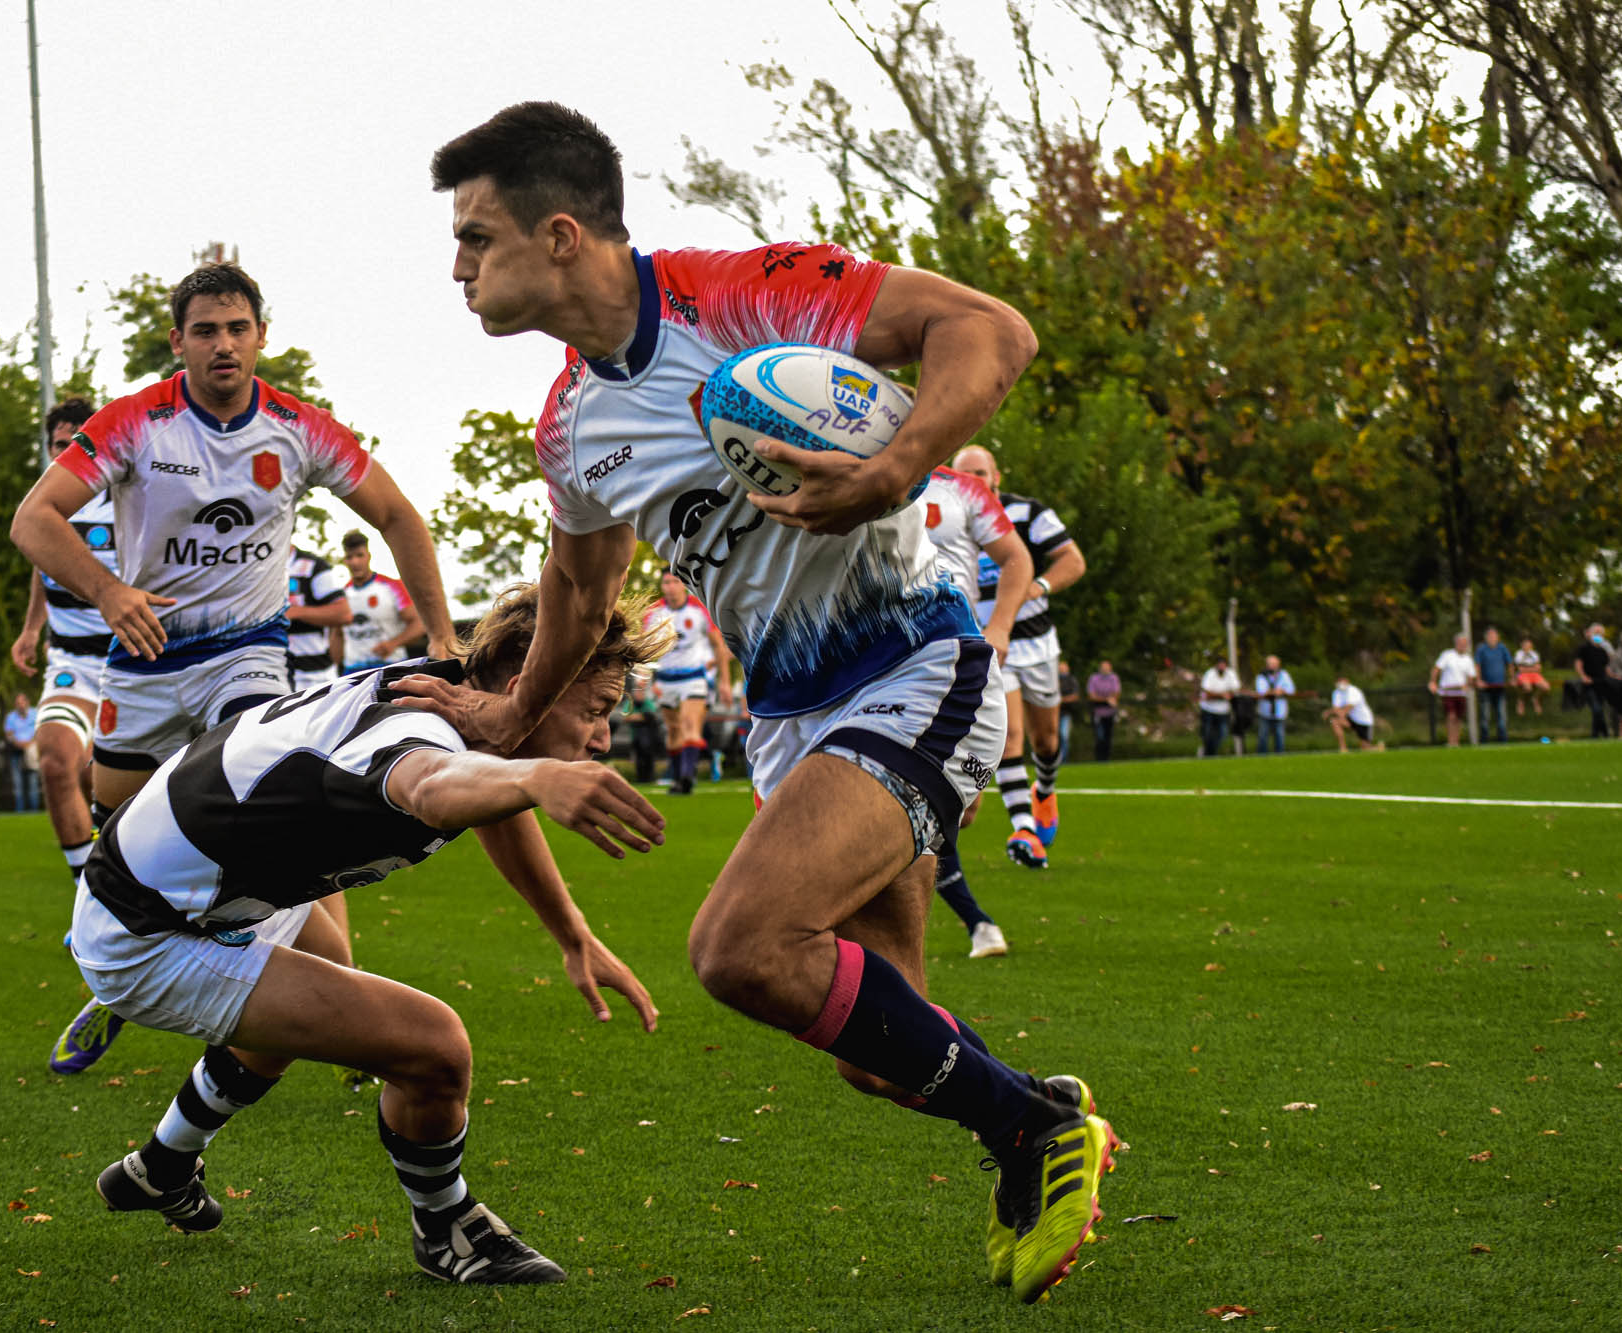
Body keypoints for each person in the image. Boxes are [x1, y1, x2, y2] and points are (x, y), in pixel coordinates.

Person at [422, 102, 1115, 1304]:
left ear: (563, 233)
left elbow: (988, 331)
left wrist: (893, 469)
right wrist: (509, 718)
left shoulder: (746, 292)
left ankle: (1030, 1137)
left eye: (477, 236)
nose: (458, 266)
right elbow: (578, 595)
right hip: (793, 718)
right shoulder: (570, 426)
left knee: (738, 948)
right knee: (883, 1049)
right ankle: (1036, 1111)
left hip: (917, 664)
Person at [79, 584, 660, 1285]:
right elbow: (432, 786)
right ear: (522, 685)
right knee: (433, 1047)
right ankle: (448, 1230)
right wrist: (540, 775)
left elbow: (488, 796)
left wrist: (572, 934)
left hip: (194, 884)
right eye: (595, 710)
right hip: (153, 927)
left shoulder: (454, 694)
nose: (602, 735)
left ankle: (162, 1164)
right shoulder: (424, 731)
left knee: (318, 992)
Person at [10, 260, 459, 1076]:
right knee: (124, 833)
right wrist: (109, 592)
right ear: (176, 341)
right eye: (206, 330)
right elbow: (33, 519)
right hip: (144, 661)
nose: (223, 345)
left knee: (266, 824)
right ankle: (121, 969)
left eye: (237, 328)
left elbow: (396, 513)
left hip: (246, 658)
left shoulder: (298, 427)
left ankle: (352, 1008)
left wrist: (443, 637)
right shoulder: (134, 421)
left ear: (261, 336)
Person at [950, 447, 1086, 870]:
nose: (974, 481)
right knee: (1009, 737)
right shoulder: (948, 520)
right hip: (988, 644)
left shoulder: (1026, 513)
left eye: (980, 473)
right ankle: (1025, 829)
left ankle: (1044, 790)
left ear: (997, 477)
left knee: (1046, 742)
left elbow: (1073, 561)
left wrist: (1037, 587)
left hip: (1037, 642)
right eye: (964, 475)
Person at [917, 462, 1031, 959]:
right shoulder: (861, 463)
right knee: (919, 800)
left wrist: (1001, 626)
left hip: (961, 651)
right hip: (888, 653)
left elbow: (1017, 560)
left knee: (958, 811)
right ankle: (976, 923)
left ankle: (972, 920)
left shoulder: (965, 490)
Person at [11, 397, 116, 880]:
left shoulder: (133, 498)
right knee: (55, 761)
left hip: (131, 667)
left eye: (80, 443)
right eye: (59, 444)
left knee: (116, 791)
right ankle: (86, 895)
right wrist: (32, 629)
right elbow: (43, 564)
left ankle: (129, 893)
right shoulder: (43, 502)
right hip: (72, 663)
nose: (68, 453)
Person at [642, 570, 734, 794]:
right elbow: (644, 650)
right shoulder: (653, 613)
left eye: (675, 581)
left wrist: (724, 681)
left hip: (694, 677)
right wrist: (645, 680)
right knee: (674, 731)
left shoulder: (699, 609)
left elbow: (719, 645)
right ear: (662, 586)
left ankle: (686, 777)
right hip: (665, 679)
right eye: (667, 582)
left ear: (683, 585)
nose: (671, 586)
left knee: (690, 725)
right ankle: (677, 777)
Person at [335, 531, 423, 673]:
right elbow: (337, 635)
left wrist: (393, 644)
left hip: (391, 667)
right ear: (344, 561)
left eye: (359, 555)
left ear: (368, 556)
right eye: (349, 557)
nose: (355, 562)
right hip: (353, 672)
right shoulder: (341, 595)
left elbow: (418, 625)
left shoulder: (393, 586)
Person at [287, 543, 350, 691]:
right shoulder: (253, 566)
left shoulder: (313, 565)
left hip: (313, 679)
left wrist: (295, 612)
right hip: (267, 674)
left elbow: (344, 613)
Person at [1429, 634, 1477, 747]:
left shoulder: (1468, 659)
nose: (1462, 646)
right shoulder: (1447, 655)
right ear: (1456, 644)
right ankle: (1451, 741)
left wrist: (1468, 684)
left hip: (1461, 693)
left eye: (1464, 644)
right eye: (1460, 643)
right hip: (1447, 692)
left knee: (1459, 718)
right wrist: (1433, 682)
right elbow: (1436, 669)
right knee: (1451, 716)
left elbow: (1471, 677)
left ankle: (1456, 741)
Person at [1573, 624, 1619, 738]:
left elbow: (1606, 668)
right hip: (1589, 683)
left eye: (1600, 633)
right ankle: (1605, 733)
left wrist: (1613, 676)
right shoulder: (1583, 648)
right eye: (1596, 632)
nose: (1598, 635)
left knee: (1599, 710)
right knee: (1597, 709)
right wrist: (1583, 676)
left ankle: (1595, 735)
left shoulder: (1603, 651)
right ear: (1590, 633)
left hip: (1602, 683)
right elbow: (1578, 664)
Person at [3, 692, 41, 812]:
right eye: (18, 703)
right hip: (17, 753)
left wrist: (30, 743)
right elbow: (9, 734)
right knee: (18, 783)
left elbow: (40, 730)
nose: (20, 705)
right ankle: (19, 810)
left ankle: (34, 810)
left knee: (33, 782)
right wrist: (17, 743)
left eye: (22, 702)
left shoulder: (36, 714)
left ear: (27, 702)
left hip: (32, 753)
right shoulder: (11, 717)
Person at [1473, 627, 1513, 743]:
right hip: (1486, 688)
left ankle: (1503, 740)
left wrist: (1511, 678)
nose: (1492, 638)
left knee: (1502, 715)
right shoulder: (1481, 649)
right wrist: (1479, 680)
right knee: (1485, 716)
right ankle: (1484, 740)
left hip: (1500, 687)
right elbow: (1477, 665)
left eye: (1494, 636)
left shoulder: (1502, 648)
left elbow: (1509, 664)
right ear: (1486, 638)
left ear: (1498, 638)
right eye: (1490, 636)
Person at [1327, 675, 1383, 752]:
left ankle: (1378, 747)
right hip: (1351, 719)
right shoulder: (1336, 693)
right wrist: (1335, 713)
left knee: (1365, 749)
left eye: (1341, 682)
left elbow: (1349, 707)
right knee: (1334, 721)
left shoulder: (1354, 691)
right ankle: (1343, 748)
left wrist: (1339, 713)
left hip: (1363, 720)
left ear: (1347, 682)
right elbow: (1336, 708)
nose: (1340, 684)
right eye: (1338, 682)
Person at [1251, 655, 1294, 755]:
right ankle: (1261, 756)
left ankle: (1280, 756)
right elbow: (1261, 691)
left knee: (1280, 735)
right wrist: (1275, 691)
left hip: (1280, 711)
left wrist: (1282, 691)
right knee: (1263, 735)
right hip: (1265, 711)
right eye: (1270, 664)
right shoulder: (1261, 676)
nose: (1273, 666)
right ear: (1266, 665)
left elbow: (1291, 690)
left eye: (1275, 664)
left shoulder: (1284, 675)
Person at [1198, 656, 1241, 756]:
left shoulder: (1230, 674)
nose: (1221, 666)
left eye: (1223, 664)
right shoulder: (1210, 674)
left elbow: (1235, 689)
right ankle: (1207, 752)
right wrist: (1221, 695)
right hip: (1208, 709)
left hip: (1223, 711)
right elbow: (1206, 691)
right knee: (1207, 734)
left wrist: (1226, 694)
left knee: (1223, 734)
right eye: (1220, 664)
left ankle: (1211, 753)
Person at [1085, 661, 1121, 761]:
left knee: (1108, 737)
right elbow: (1091, 696)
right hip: (1097, 713)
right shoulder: (1094, 678)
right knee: (1099, 737)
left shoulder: (1114, 678)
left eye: (1107, 668)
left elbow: (1116, 694)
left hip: (1110, 713)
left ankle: (1106, 759)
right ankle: (1099, 759)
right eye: (1103, 668)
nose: (1105, 670)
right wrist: (1107, 700)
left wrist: (1104, 698)